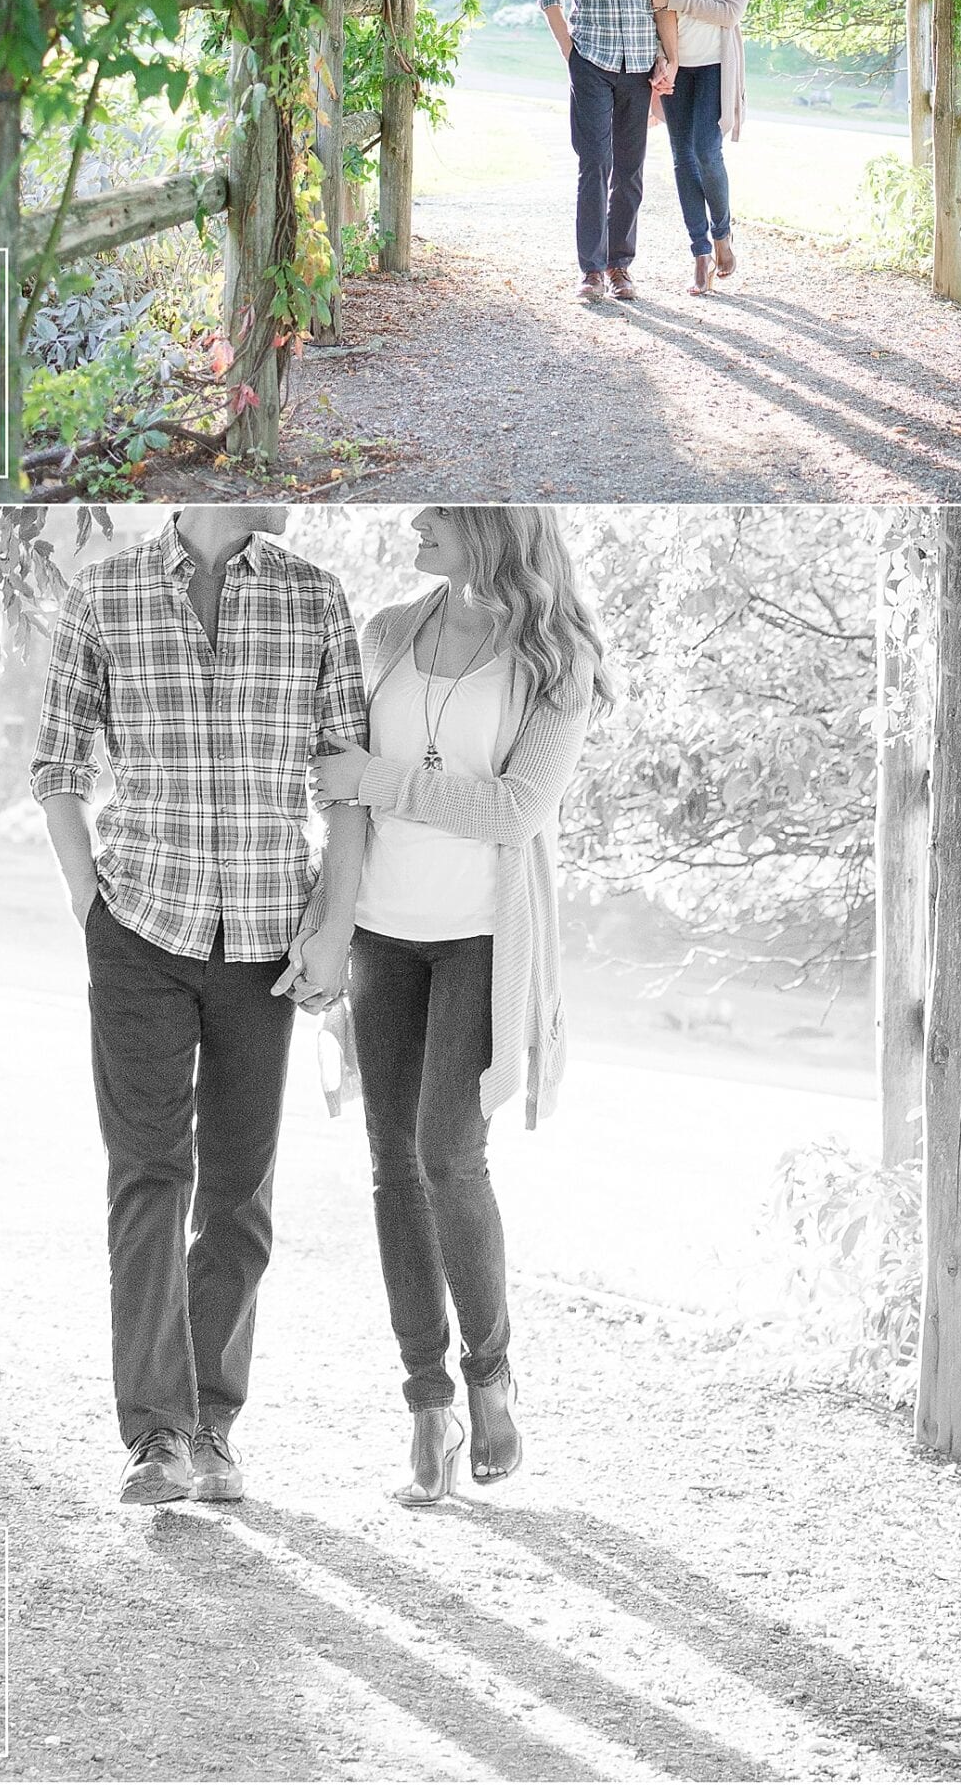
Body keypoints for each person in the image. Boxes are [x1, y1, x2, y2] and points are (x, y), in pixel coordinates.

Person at [32, 506, 369, 1508]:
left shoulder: (314, 595)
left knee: (237, 1191)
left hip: (266, 937)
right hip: (137, 925)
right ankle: (155, 1437)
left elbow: (344, 784)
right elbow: (56, 765)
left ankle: (211, 1423)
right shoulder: (107, 588)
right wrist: (89, 904)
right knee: (147, 1174)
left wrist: (333, 925)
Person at [301, 506, 609, 1506]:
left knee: (445, 1151)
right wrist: (330, 925)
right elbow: (335, 790)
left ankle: (490, 1371)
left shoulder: (556, 661)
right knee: (390, 1166)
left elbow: (517, 809)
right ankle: (426, 1407)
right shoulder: (387, 635)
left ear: (489, 525)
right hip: (382, 935)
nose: (413, 523)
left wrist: (378, 778)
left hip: (480, 941)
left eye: (437, 511)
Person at [538, 0, 679, 304]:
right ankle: (592, 270)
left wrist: (667, 56)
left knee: (631, 169)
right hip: (591, 62)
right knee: (594, 163)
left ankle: (621, 265)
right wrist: (571, 54)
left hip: (639, 65)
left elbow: (663, 0)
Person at [662, 0, 761, 294]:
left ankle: (722, 234)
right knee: (683, 158)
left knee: (707, 151)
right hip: (673, 65)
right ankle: (700, 252)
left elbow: (730, 13)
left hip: (715, 68)